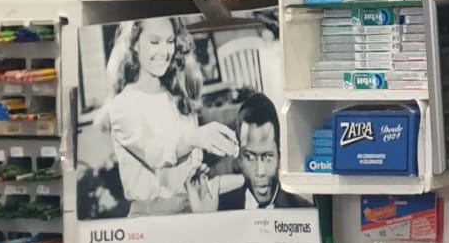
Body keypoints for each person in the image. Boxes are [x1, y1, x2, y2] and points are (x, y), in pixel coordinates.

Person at [92, 18, 242, 213]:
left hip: (192, 215)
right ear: (135, 44)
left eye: (169, 41)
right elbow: (157, 152)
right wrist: (194, 138)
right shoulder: (123, 106)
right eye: (154, 42)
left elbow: (189, 177)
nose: (164, 52)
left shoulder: (178, 98)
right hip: (151, 224)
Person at [216, 92, 309, 210]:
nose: (260, 171)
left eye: (267, 157)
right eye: (250, 157)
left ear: (280, 157)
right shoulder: (219, 208)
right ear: (239, 159)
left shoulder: (303, 212)